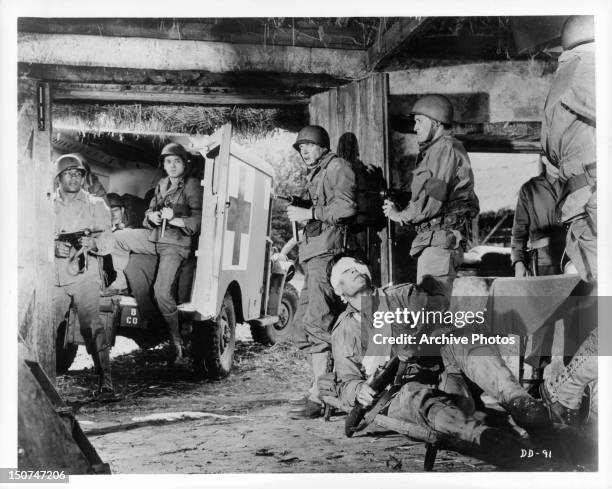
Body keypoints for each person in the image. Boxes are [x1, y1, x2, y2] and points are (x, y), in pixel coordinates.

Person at [321, 255, 552, 443]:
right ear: (339, 292)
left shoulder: (403, 296)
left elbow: (445, 320)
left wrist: (422, 341)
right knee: (414, 395)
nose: (353, 269)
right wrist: (359, 389)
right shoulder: (344, 331)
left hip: (444, 377)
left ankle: (523, 405)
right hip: (399, 395)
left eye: (356, 265)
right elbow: (346, 381)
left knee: (463, 337)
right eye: (344, 271)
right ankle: (486, 438)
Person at [104, 143, 203, 365]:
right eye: (168, 162)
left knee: (161, 293)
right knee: (118, 238)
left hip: (176, 245)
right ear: (164, 165)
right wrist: (152, 218)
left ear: (184, 163)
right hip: (155, 237)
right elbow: (149, 211)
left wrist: (175, 219)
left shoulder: (192, 185)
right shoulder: (162, 183)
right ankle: (118, 281)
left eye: (176, 161)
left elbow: (198, 220)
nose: (172, 165)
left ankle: (176, 343)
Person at [286, 125, 358, 419]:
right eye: (300, 146)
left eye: (308, 145)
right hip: (314, 253)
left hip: (327, 253)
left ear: (322, 146)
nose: (303, 150)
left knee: (318, 322)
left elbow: (347, 208)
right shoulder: (318, 172)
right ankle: (319, 388)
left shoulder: (337, 167)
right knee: (305, 325)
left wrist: (310, 214)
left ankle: (325, 394)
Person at [383, 95, 479, 302]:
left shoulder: (443, 149)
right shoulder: (438, 150)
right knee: (429, 312)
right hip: (435, 242)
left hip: (439, 243)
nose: (415, 127)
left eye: (419, 121)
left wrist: (399, 215)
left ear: (435, 122)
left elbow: (432, 199)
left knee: (431, 313)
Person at [53, 153, 116, 398]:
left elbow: (109, 240)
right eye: (68, 173)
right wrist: (52, 247)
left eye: (78, 173)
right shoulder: (46, 203)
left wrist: (94, 243)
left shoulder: (96, 204)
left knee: (93, 325)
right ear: (58, 177)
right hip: (55, 277)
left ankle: (106, 382)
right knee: (45, 327)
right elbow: (28, 238)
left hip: (84, 274)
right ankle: (43, 384)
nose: (74, 177)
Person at [541, 15, 596, 283]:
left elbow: (551, 158)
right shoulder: (588, 67)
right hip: (594, 199)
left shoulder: (565, 75)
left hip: (581, 202)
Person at [510, 157, 566, 372]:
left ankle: (573, 375)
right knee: (543, 318)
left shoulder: (574, 183)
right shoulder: (530, 189)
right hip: (542, 259)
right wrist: (518, 261)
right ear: (544, 158)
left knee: (578, 315)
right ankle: (538, 373)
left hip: (573, 257)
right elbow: (519, 230)